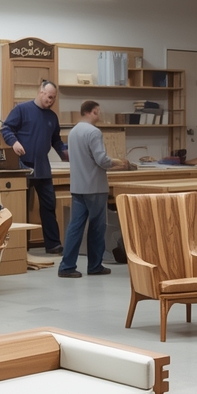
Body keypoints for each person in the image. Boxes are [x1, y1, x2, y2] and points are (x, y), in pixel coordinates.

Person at [58, 100, 129, 279]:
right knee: (97, 228)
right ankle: (95, 265)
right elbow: (101, 160)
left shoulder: (73, 131)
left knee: (75, 227)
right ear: (94, 112)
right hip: (95, 187)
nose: (99, 115)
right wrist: (119, 162)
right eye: (98, 112)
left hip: (78, 186)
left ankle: (67, 266)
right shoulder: (94, 132)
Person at [1, 80, 67, 254]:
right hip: (23, 166)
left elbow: (56, 141)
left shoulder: (52, 117)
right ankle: (20, 245)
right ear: (41, 92)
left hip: (43, 167)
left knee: (49, 205)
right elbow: (6, 128)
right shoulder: (22, 109)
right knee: (21, 206)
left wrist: (65, 153)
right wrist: (14, 142)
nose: (51, 101)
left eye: (54, 98)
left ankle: (53, 244)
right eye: (49, 97)